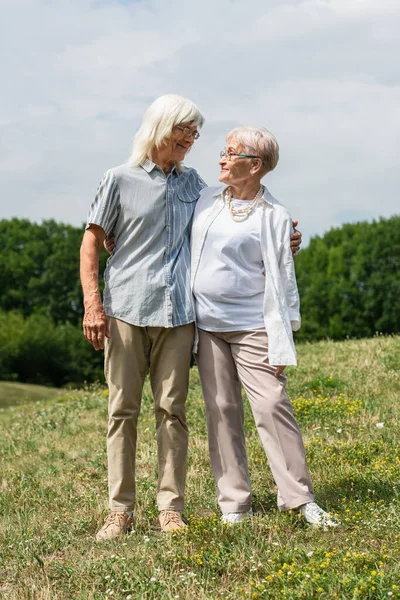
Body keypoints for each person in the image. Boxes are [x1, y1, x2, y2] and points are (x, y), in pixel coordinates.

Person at [80, 95, 302, 541]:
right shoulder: (118, 180)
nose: (191, 140)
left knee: (172, 411)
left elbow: (242, 209)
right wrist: (93, 306)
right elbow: (91, 243)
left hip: (179, 314)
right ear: (161, 127)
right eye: (185, 130)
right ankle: (119, 511)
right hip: (125, 309)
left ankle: (171, 509)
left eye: (195, 133)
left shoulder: (196, 185)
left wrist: (286, 237)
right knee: (123, 410)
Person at [191, 126, 338, 529]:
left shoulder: (274, 215)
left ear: (254, 165)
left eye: (231, 153)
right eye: (223, 151)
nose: (221, 158)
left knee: (272, 404)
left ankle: (300, 498)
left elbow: (283, 281)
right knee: (221, 410)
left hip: (253, 324)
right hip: (207, 326)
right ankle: (234, 504)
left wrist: (282, 340)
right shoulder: (204, 199)